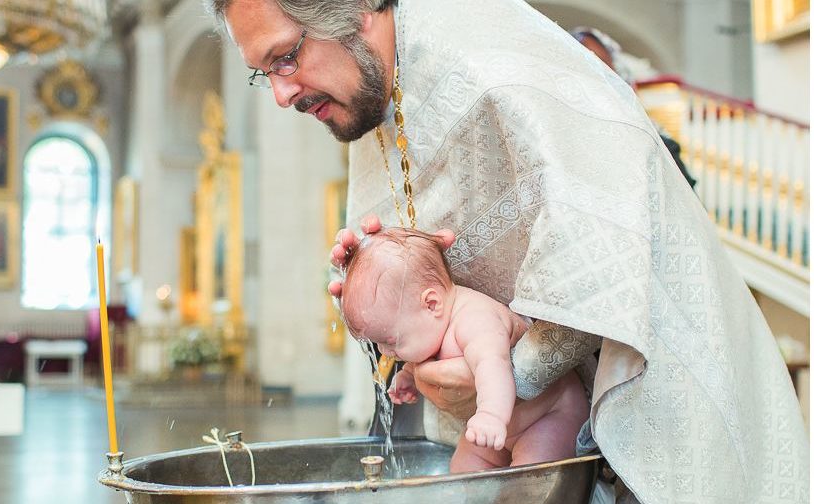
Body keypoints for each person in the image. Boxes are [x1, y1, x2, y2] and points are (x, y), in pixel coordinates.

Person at [207, 0, 809, 502]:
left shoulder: (492, 67)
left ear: (359, 8)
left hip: (664, 423)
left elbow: (600, 258)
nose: (282, 94)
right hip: (548, 441)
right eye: (265, 73)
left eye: (285, 57)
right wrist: (375, 281)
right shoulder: (379, 94)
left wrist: (493, 377)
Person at [340, 227, 588, 472]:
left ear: (431, 304)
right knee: (463, 469)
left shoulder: (474, 320)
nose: (385, 352)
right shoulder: (432, 327)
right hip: (496, 425)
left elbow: (493, 367)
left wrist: (491, 415)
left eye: (392, 341)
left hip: (547, 416)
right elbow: (428, 359)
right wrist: (409, 376)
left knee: (531, 478)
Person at [569, 26, 697, 190]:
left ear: (619, 76)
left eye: (599, 63)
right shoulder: (560, 139)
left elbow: (682, 201)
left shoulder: (655, 144)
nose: (591, 75)